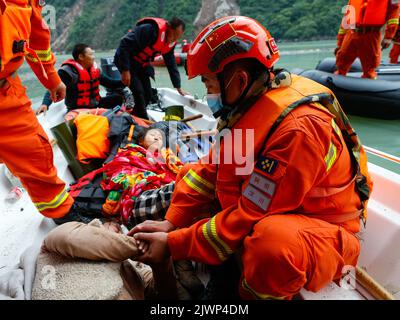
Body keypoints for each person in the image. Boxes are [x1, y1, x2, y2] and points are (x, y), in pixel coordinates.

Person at [130, 16, 373, 300]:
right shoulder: (247, 109)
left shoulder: (298, 129)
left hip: (324, 229)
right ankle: (225, 266)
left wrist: (173, 245)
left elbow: (250, 214)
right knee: (190, 175)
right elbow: (209, 172)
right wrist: (171, 222)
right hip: (275, 207)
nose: (207, 94)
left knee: (272, 244)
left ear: (240, 79)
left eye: (209, 84)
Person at [0, 0, 74, 219]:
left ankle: (63, 215)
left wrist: (52, 79)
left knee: (37, 152)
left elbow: (37, 41)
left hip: (6, 92)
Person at [114, 17, 189, 119]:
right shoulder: (150, 29)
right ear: (169, 27)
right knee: (139, 92)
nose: (174, 39)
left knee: (148, 95)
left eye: (178, 37)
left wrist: (178, 86)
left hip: (142, 64)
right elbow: (124, 43)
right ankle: (143, 122)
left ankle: (135, 116)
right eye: (174, 35)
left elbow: (171, 64)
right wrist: (125, 70)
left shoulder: (169, 43)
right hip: (127, 61)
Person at [36, 43, 125, 115]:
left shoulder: (95, 70)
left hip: (96, 104)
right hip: (77, 109)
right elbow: (54, 88)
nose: (93, 57)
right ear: (81, 57)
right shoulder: (67, 72)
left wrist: (126, 81)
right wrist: (45, 104)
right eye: (90, 54)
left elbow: (110, 83)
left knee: (117, 99)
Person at [335, 0, 400, 79]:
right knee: (342, 61)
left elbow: (394, 13)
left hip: (371, 34)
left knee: (369, 68)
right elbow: (347, 15)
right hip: (351, 32)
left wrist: (389, 36)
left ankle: (370, 82)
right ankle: (339, 80)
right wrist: (340, 40)